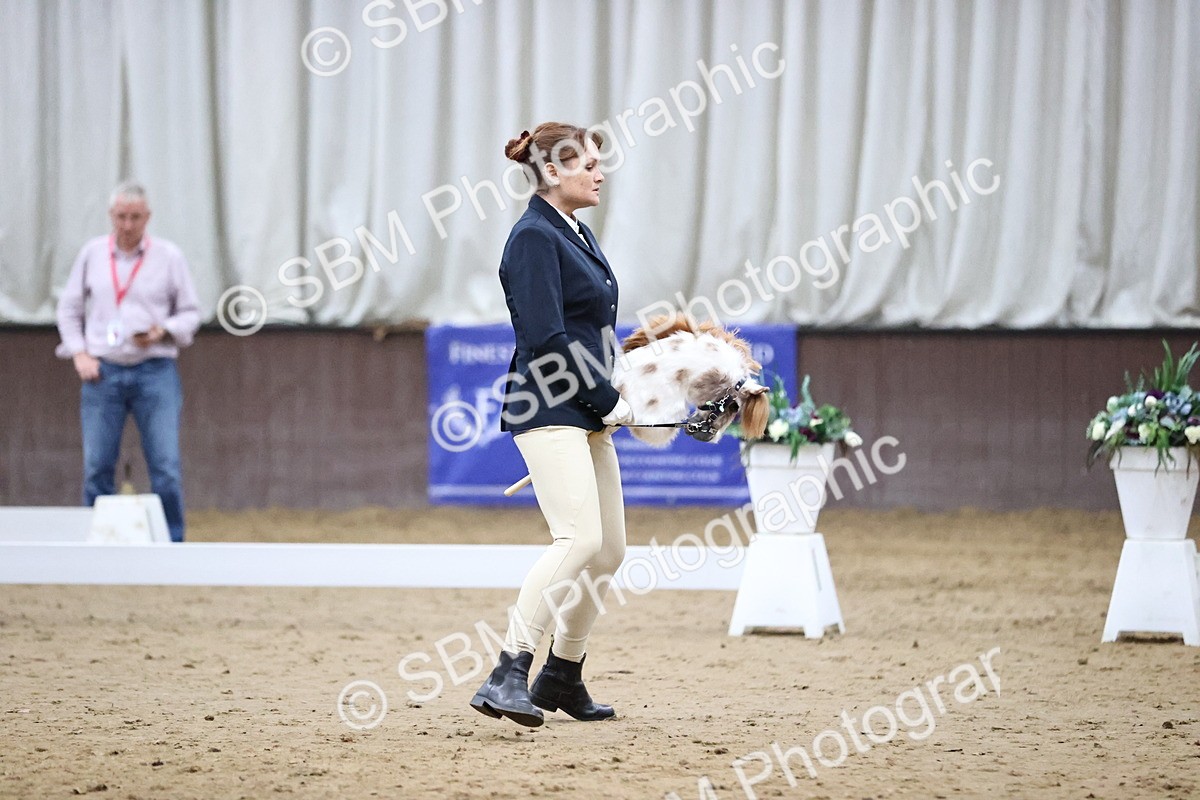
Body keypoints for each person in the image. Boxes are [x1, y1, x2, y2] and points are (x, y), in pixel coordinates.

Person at [470, 123, 635, 727]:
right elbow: (545, 338)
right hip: (547, 406)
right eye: (588, 163)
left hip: (585, 407)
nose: (600, 172)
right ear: (553, 171)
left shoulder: (574, 231)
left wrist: (619, 388)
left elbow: (592, 325)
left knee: (609, 549)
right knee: (578, 539)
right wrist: (602, 396)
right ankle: (507, 669)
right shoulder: (533, 238)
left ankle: (562, 672)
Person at [55, 182, 201, 543]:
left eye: (135, 217)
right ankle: (95, 544)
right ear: (111, 216)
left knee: (165, 467)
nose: (128, 224)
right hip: (102, 372)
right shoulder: (91, 254)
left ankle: (173, 543)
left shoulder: (169, 256)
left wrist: (163, 330)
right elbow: (69, 308)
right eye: (121, 216)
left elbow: (191, 312)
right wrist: (79, 353)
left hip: (156, 370)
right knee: (96, 466)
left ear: (147, 218)